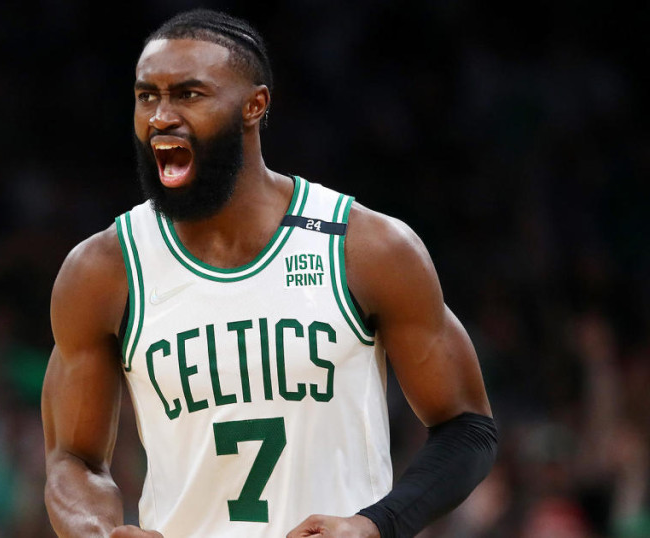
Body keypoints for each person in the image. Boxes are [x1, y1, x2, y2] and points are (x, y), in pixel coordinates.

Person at [42, 9, 496, 538]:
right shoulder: (105, 270)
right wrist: (100, 533)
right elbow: (71, 458)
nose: (161, 116)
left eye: (189, 94)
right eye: (148, 96)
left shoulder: (364, 246)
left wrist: (376, 525)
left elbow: (468, 428)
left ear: (254, 105)